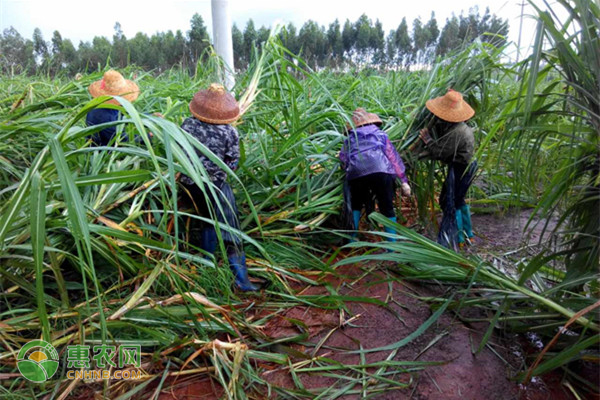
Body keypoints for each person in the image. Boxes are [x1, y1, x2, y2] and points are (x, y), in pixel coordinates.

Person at [179, 83, 258, 292]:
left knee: (206, 220)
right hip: (214, 186)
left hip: (188, 185)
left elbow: (178, 152)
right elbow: (232, 164)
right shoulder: (229, 132)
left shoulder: (187, 125)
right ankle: (240, 278)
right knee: (228, 225)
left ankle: (208, 269)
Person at [416, 89, 477, 248]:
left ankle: (458, 239)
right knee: (458, 199)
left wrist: (427, 139)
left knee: (449, 202)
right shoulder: (461, 127)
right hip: (467, 166)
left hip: (460, 168)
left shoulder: (456, 132)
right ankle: (467, 234)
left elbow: (440, 153)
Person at [339, 108, 411, 242]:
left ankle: (351, 242)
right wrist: (403, 180)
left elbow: (343, 158)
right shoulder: (380, 134)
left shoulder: (349, 139)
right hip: (381, 170)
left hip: (357, 173)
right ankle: (392, 245)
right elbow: (392, 157)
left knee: (356, 205)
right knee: (386, 206)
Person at [87, 70, 139, 146]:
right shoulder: (101, 114)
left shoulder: (110, 105)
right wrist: (148, 136)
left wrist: (150, 116)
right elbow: (120, 139)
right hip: (104, 152)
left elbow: (125, 115)